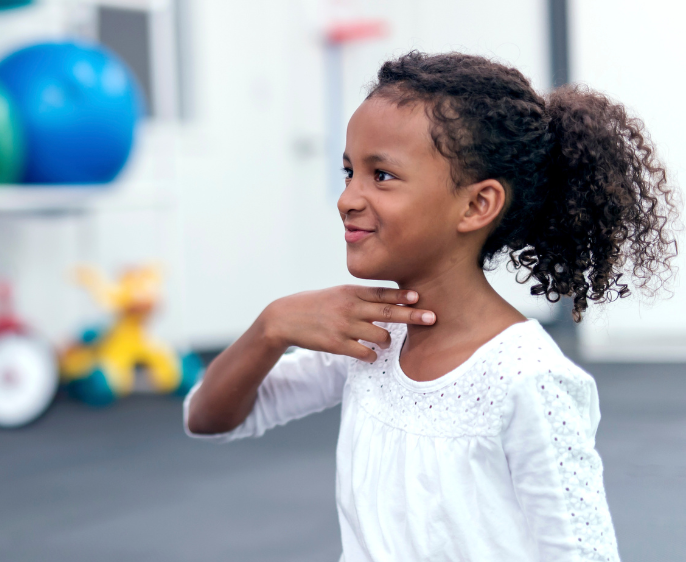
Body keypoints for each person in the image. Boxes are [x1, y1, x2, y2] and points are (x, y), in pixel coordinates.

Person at [185, 52, 677, 561]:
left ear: (476, 205)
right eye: (349, 171)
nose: (347, 198)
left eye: (382, 176)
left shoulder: (528, 379)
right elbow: (209, 417)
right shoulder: (372, 333)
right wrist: (272, 326)